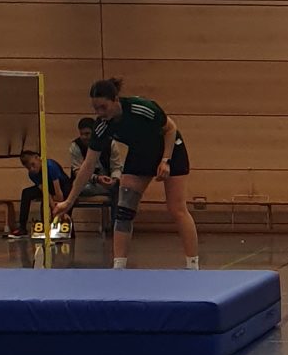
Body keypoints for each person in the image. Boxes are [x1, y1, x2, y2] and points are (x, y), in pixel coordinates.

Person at [54, 79, 200, 269]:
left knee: (176, 208)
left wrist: (166, 160)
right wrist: (69, 201)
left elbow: (171, 128)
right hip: (140, 154)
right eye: (96, 108)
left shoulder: (141, 108)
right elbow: (87, 165)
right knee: (124, 210)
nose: (100, 113)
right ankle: (119, 267)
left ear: (116, 100)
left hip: (170, 149)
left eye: (103, 107)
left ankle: (193, 266)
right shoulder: (102, 126)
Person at [10, 147, 70, 244]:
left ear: (37, 157)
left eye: (33, 164)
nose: (32, 169)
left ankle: (59, 229)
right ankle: (22, 227)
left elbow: (58, 192)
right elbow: (45, 192)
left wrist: (58, 211)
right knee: (26, 193)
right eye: (29, 168)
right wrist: (52, 205)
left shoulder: (50, 166)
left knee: (54, 204)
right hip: (48, 187)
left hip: (62, 186)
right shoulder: (32, 174)